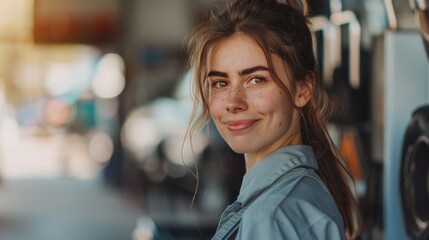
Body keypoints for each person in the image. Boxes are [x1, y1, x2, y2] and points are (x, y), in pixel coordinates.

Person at [186, 0, 362, 239]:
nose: (233, 102)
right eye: (221, 83)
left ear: (302, 90)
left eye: (256, 79)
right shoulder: (299, 193)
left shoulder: (270, 216)